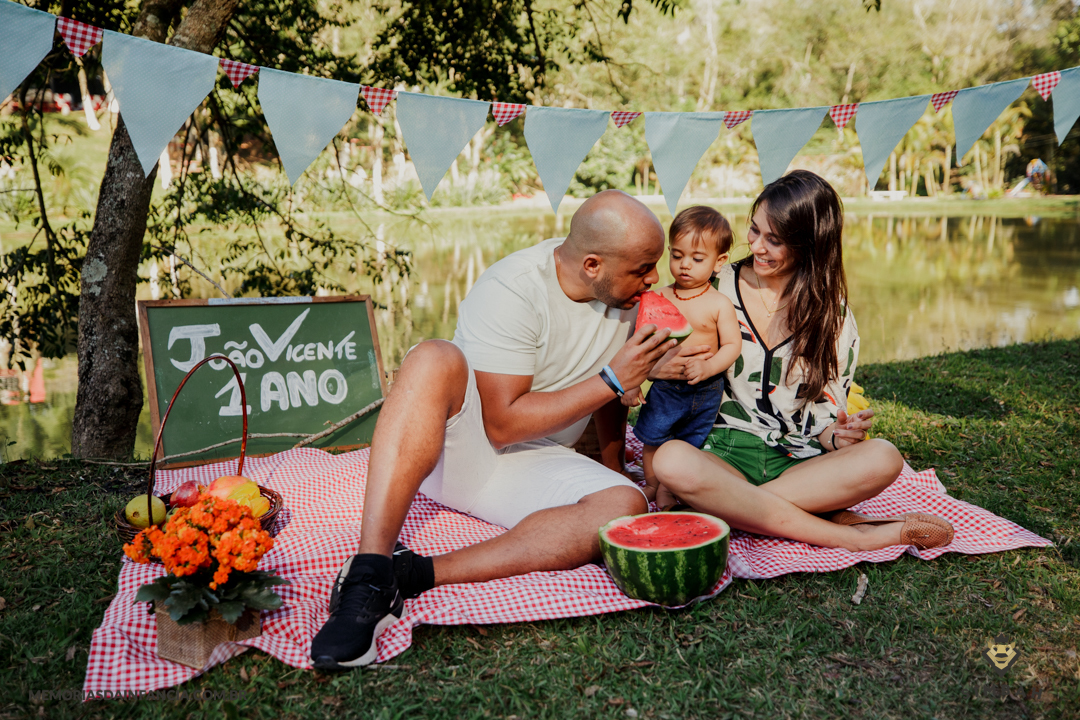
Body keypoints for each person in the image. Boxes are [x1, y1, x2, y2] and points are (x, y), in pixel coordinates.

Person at [310, 190, 701, 669]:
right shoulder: (514, 288)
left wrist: (615, 462)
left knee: (623, 504)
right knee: (434, 357)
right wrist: (613, 378)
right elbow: (502, 424)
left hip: (537, 459)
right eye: (643, 268)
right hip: (456, 448)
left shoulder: (622, 294)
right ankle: (368, 572)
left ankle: (411, 574)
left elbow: (611, 392)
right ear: (593, 264)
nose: (654, 279)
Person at [650, 170, 954, 552]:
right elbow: (659, 351)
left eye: (774, 240)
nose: (757, 246)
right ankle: (848, 533)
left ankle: (733, 508)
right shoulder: (712, 283)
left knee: (883, 457)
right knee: (672, 461)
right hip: (722, 453)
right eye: (754, 230)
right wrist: (659, 366)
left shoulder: (833, 316)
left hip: (799, 461)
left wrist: (838, 436)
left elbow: (825, 417)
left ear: (808, 244)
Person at [622, 206, 741, 509]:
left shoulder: (719, 304)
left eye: (697, 259)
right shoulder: (657, 298)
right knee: (653, 437)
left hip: (706, 389)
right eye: (676, 256)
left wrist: (709, 365)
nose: (685, 265)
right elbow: (639, 347)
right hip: (665, 388)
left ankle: (671, 488)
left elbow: (731, 345)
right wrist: (633, 383)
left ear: (720, 262)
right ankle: (652, 484)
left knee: (692, 441)